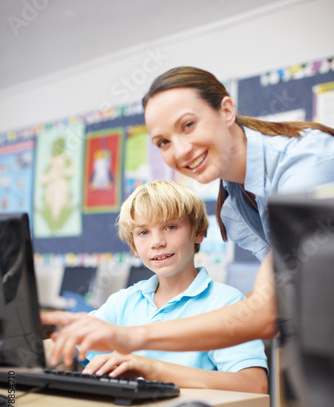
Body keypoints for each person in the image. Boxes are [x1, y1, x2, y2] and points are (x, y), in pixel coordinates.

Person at [45, 65, 334, 364]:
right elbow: (283, 291)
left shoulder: (307, 161)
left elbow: (266, 311)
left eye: (188, 125)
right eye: (163, 142)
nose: (180, 151)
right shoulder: (235, 204)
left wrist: (134, 336)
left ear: (226, 110)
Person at [46, 180, 268, 393]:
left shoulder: (227, 302)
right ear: (133, 246)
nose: (157, 242)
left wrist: (152, 369)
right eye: (143, 232)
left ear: (198, 232)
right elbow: (63, 347)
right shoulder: (124, 301)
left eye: (171, 227)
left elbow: (253, 385)